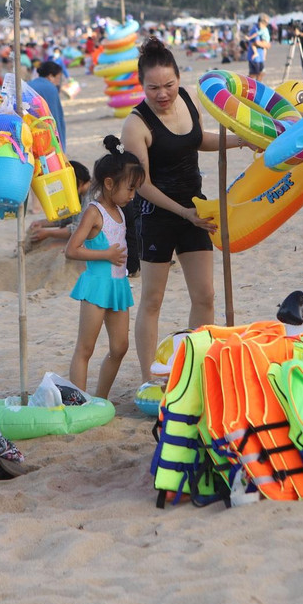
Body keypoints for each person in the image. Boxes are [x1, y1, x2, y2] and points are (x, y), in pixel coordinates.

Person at [121, 38, 249, 385]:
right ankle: (149, 376)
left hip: (196, 209)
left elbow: (197, 139)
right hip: (156, 215)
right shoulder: (135, 125)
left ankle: (197, 370)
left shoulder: (186, 101)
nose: (163, 94)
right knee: (152, 299)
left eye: (169, 85)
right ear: (141, 86)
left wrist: (240, 138)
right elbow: (141, 183)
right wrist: (182, 212)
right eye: (153, 88)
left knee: (205, 295)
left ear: (179, 79)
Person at [65, 137, 144, 398]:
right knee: (85, 348)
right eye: (130, 189)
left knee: (120, 347)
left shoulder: (121, 211)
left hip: (118, 286)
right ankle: (78, 401)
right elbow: (72, 249)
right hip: (97, 286)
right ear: (109, 184)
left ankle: (100, 398)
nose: (133, 195)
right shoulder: (94, 212)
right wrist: (105, 253)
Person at [26, 161, 92, 246]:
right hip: (81, 236)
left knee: (51, 245)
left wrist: (48, 233)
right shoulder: (80, 194)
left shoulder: (91, 198)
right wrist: (42, 223)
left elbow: (77, 229)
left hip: (89, 242)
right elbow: (68, 216)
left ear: (78, 181)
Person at [26, 61, 67, 145]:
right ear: (51, 76)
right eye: (58, 78)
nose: (58, 82)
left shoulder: (28, 84)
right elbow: (55, 117)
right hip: (43, 134)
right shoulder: (50, 88)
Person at [245, 16, 271, 80]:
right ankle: (256, 88)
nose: (267, 23)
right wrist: (267, 45)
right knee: (258, 74)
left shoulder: (261, 28)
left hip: (259, 56)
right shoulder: (256, 29)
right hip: (256, 58)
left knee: (257, 74)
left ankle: (252, 86)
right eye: (266, 22)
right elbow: (257, 42)